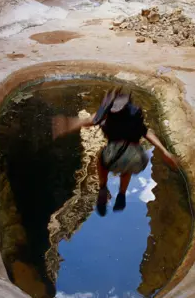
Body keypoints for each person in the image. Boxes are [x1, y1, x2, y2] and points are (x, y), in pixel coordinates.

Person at [52, 88, 178, 216]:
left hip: (113, 156)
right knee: (126, 165)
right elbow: (145, 132)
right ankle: (122, 193)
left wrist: (68, 125)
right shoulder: (134, 114)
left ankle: (102, 186)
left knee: (102, 159)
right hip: (137, 159)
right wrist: (163, 151)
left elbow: (89, 121)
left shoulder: (106, 116)